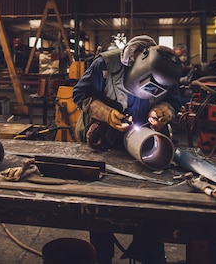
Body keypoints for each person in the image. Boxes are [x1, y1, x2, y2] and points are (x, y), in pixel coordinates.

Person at [72, 35, 183, 264]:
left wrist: (164, 110)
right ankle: (102, 257)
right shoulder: (106, 65)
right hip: (106, 145)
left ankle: (150, 255)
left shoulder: (166, 71)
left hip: (144, 147)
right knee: (101, 209)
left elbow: (175, 101)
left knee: (150, 208)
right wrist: (105, 113)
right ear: (135, 63)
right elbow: (79, 94)